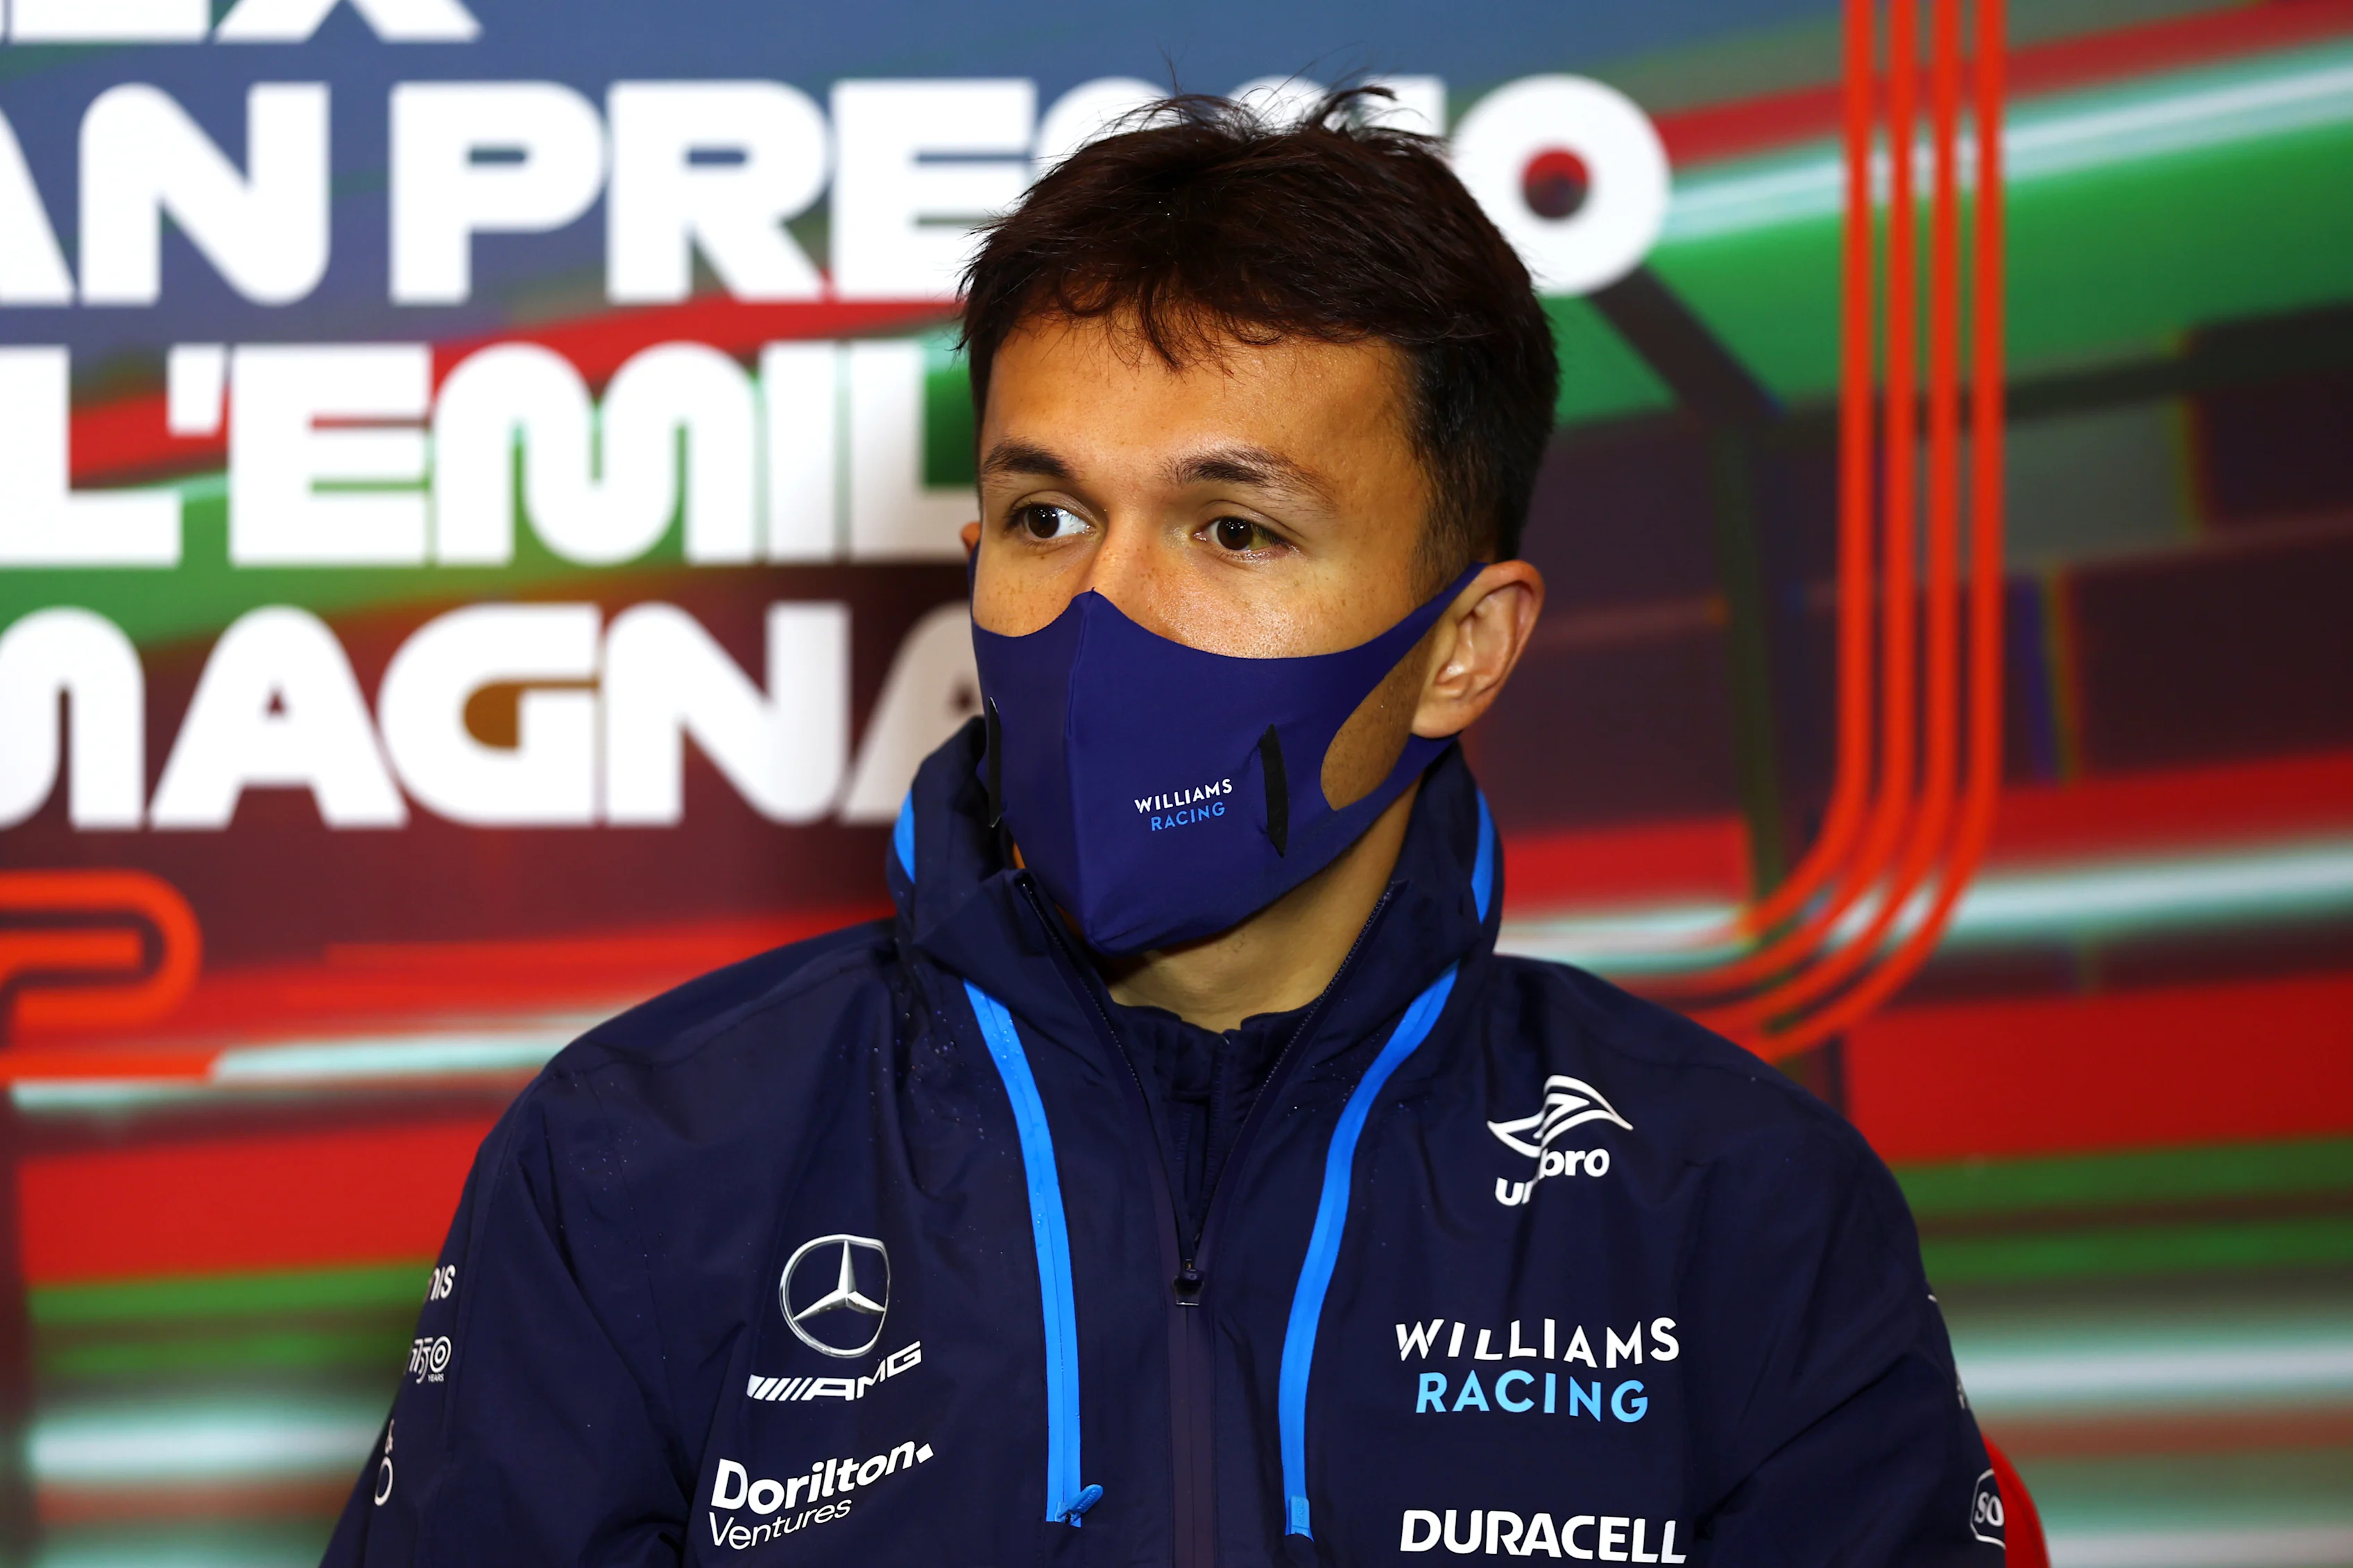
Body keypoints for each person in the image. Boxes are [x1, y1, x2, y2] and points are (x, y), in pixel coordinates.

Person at [325, 91, 2007, 1566]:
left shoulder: (1740, 1205)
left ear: (1463, 645)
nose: (1099, 612)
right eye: (1042, 513)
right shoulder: (645, 1158)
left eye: (1233, 528)